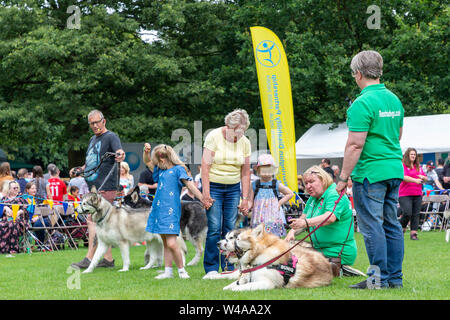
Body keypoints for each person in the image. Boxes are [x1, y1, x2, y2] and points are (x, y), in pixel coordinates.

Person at [336, 50, 405, 289]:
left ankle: (377, 280)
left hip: (370, 173)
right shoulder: (394, 99)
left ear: (357, 73)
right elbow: (397, 136)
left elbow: (355, 144)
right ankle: (394, 279)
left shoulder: (362, 103)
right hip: (394, 169)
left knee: (371, 226)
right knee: (392, 224)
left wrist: (343, 177)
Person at [143, 143, 210, 279]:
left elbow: (190, 185)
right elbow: (147, 161)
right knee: (166, 242)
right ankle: (168, 271)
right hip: (158, 209)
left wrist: (203, 199)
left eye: (157, 160)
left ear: (162, 159)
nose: (156, 163)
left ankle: (181, 270)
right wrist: (146, 152)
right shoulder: (160, 170)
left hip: (171, 210)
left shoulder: (179, 170)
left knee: (172, 243)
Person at [70, 109, 125, 270]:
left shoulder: (111, 137)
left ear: (104, 121)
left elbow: (119, 152)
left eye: (97, 122)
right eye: (91, 123)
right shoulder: (92, 139)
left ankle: (89, 258)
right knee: (101, 222)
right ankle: (107, 259)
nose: (94, 126)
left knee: (93, 220)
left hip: (106, 185)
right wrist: (80, 169)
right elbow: (90, 161)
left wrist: (121, 155)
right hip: (94, 186)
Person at [201, 109, 251, 279]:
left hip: (233, 188)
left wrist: (245, 198)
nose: (238, 137)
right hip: (214, 186)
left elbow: (245, 172)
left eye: (242, 133)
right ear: (227, 126)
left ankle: (229, 266)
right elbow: (205, 168)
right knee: (214, 228)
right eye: (236, 133)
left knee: (230, 228)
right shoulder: (213, 137)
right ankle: (211, 268)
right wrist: (205, 194)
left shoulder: (245, 142)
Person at [286, 166, 357, 271]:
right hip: (319, 249)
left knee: (295, 260)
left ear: (323, 180)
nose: (308, 186)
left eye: (312, 181)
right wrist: (292, 232)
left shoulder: (334, 193)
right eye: (306, 183)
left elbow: (330, 217)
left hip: (337, 252)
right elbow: (303, 220)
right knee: (288, 252)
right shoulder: (313, 198)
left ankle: (341, 269)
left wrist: (305, 223)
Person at [248, 154, 293, 237]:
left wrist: (279, 203)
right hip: (258, 217)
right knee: (258, 237)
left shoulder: (276, 184)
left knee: (273, 237)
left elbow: (290, 193)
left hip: (272, 217)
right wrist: (246, 206)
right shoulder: (254, 184)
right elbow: (250, 201)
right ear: (258, 170)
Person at [398, 148, 427, 241]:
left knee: (416, 214)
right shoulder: (402, 166)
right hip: (404, 194)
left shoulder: (418, 166)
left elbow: (425, 179)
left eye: (414, 154)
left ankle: (413, 233)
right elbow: (403, 177)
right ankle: (400, 227)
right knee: (407, 212)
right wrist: (415, 180)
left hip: (417, 194)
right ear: (407, 155)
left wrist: (423, 178)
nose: (413, 156)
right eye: (411, 154)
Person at [0, 181, 29, 254]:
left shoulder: (21, 198)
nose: (16, 189)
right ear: (9, 189)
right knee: (2, 225)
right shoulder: (4, 199)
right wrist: (5, 208)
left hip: (19, 220)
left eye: (17, 188)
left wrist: (19, 212)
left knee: (13, 224)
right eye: (14, 188)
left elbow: (27, 209)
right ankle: (3, 249)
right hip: (6, 219)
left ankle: (13, 249)